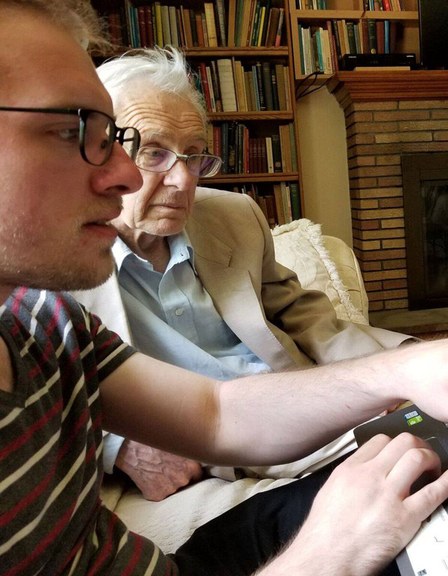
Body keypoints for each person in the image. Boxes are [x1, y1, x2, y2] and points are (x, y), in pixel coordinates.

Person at [0, 2, 448, 575]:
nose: (128, 175)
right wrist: (326, 555)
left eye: (123, 142)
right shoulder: (57, 290)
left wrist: (409, 364)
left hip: (264, 467)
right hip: (241, 517)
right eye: (78, 133)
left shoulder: (41, 324)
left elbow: (216, 412)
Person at [72, 45, 411, 501]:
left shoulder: (233, 215)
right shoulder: (53, 262)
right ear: (98, 151)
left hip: (302, 409)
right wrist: (120, 446)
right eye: (154, 153)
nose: (184, 180)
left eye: (194, 156)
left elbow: (305, 316)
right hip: (210, 446)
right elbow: (40, 396)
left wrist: (401, 363)